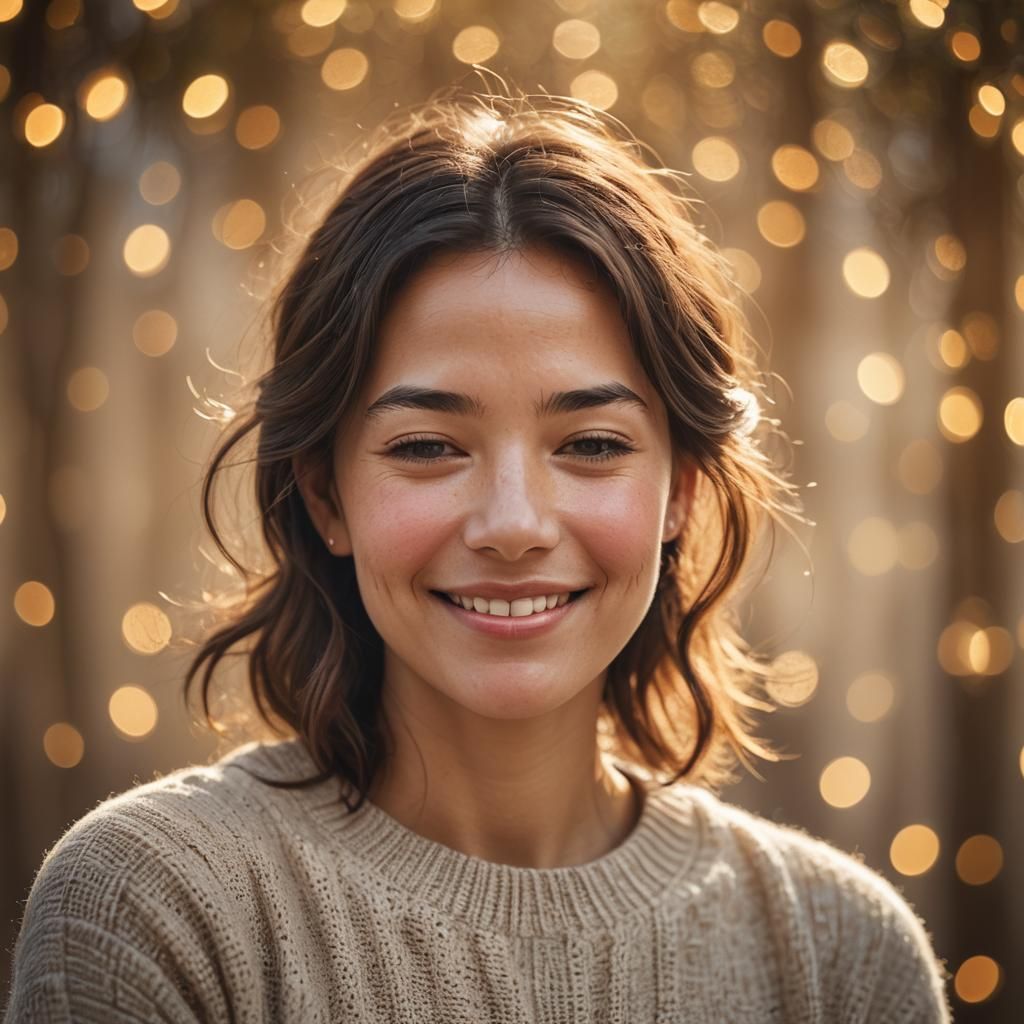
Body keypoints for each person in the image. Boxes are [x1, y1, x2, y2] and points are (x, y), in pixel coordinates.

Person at [4, 85, 952, 1022]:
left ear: (684, 490)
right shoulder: (148, 906)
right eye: (427, 447)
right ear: (325, 494)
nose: (513, 524)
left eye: (592, 444)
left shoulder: (842, 953)